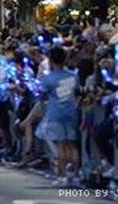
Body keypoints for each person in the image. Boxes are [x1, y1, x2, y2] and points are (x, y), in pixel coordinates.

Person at [40, 45, 80, 186]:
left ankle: (62, 176)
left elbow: (42, 93)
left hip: (56, 113)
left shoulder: (49, 78)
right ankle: (75, 176)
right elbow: (77, 91)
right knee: (72, 145)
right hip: (71, 112)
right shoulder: (73, 76)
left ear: (51, 60)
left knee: (61, 146)